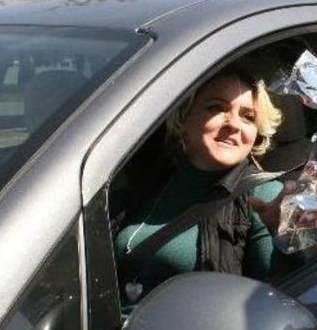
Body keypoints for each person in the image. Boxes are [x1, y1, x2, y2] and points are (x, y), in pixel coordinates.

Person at [113, 66, 285, 306]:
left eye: (248, 116)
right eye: (217, 108)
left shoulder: (264, 196)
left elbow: (284, 299)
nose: (234, 124)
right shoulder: (149, 180)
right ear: (183, 117)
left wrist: (287, 239)